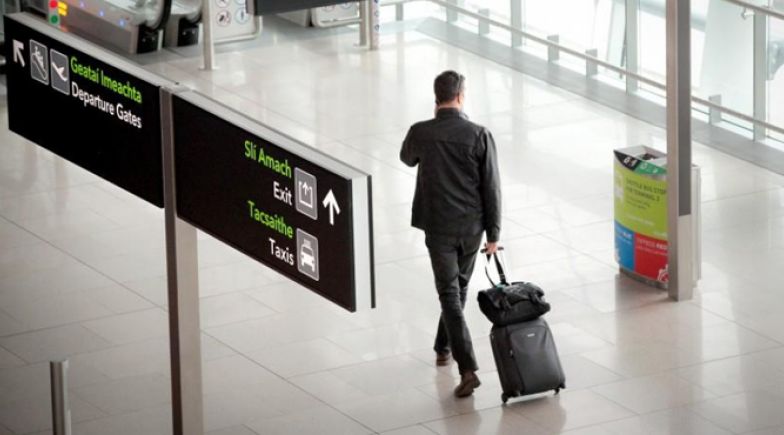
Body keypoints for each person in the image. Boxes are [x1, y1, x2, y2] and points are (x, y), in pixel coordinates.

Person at [400, 70, 502, 398]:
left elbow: (406, 158)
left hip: (439, 228)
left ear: (436, 98)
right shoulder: (479, 135)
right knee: (458, 290)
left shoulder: (421, 132)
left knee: (450, 294)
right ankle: (443, 347)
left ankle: (468, 368)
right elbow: (492, 187)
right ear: (460, 96)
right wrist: (494, 233)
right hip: (472, 228)